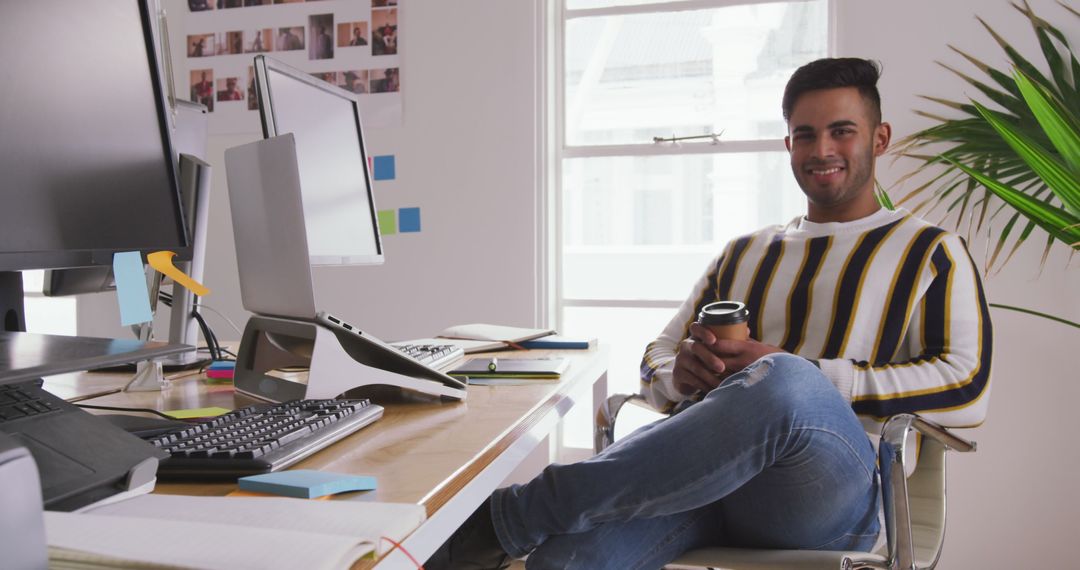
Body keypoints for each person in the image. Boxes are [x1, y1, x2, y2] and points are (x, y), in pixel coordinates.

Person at [428, 58, 993, 570]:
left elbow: (967, 390)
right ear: (788, 145)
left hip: (825, 494)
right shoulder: (746, 251)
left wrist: (812, 375)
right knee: (565, 559)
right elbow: (657, 355)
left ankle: (510, 515)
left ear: (880, 138)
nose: (821, 149)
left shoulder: (930, 252)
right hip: (704, 488)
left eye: (841, 131)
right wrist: (677, 376)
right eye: (804, 135)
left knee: (788, 380)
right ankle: (513, 527)